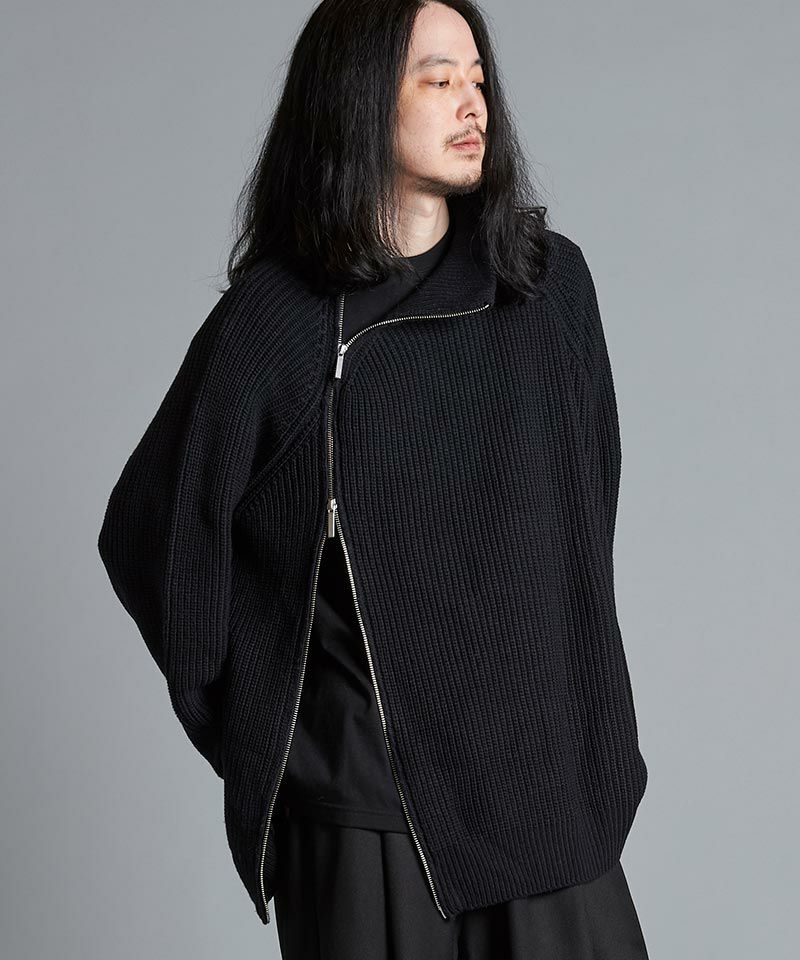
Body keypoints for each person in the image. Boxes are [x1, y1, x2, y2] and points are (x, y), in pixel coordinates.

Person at [98, 0, 651, 957]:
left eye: (478, 79)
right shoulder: (282, 319)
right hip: (366, 815)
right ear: (357, 98)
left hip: (546, 796)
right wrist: (271, 726)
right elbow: (154, 531)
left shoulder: (547, 288)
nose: (472, 104)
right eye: (438, 79)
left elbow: (584, 514)